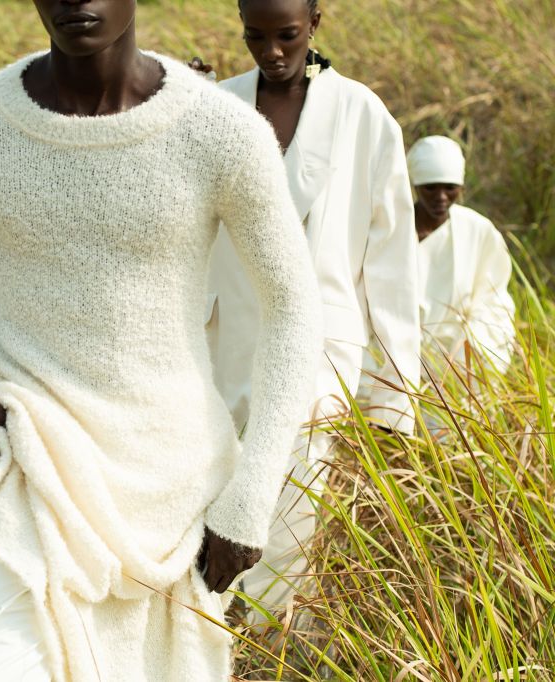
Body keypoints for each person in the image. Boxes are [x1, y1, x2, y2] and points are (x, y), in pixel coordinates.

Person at [0, 1, 320, 679]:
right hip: (27, 463)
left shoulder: (221, 132)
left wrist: (251, 496)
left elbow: (293, 306)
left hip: (173, 487)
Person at [200, 0, 420, 620]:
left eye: (288, 36)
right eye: (255, 36)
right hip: (224, 337)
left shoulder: (361, 114)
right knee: (216, 496)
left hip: (321, 348)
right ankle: (212, 637)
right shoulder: (217, 105)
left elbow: (391, 260)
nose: (271, 52)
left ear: (315, 23)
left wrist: (391, 397)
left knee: (294, 503)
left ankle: (274, 645)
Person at [409, 135, 516, 378]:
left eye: (450, 188)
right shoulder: (392, 228)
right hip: (392, 350)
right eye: (430, 187)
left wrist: (466, 350)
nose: (441, 197)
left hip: (454, 358)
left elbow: (493, 299)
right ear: (415, 185)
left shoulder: (477, 230)